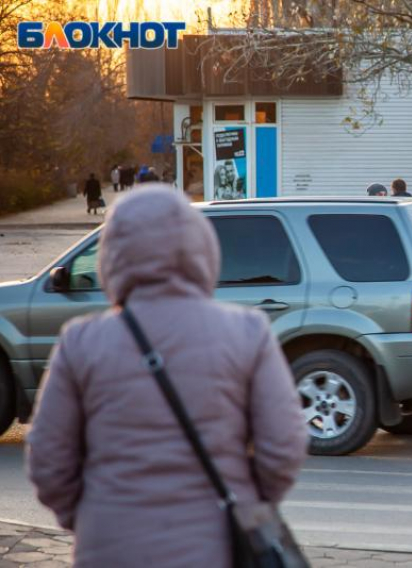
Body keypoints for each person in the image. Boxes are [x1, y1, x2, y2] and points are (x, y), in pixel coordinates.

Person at [27, 186, 309, 567]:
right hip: (216, 545)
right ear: (201, 249)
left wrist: (90, 517)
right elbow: (284, 446)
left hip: (109, 547)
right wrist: (246, 501)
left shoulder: (81, 342)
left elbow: (48, 462)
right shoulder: (247, 332)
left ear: (112, 256)